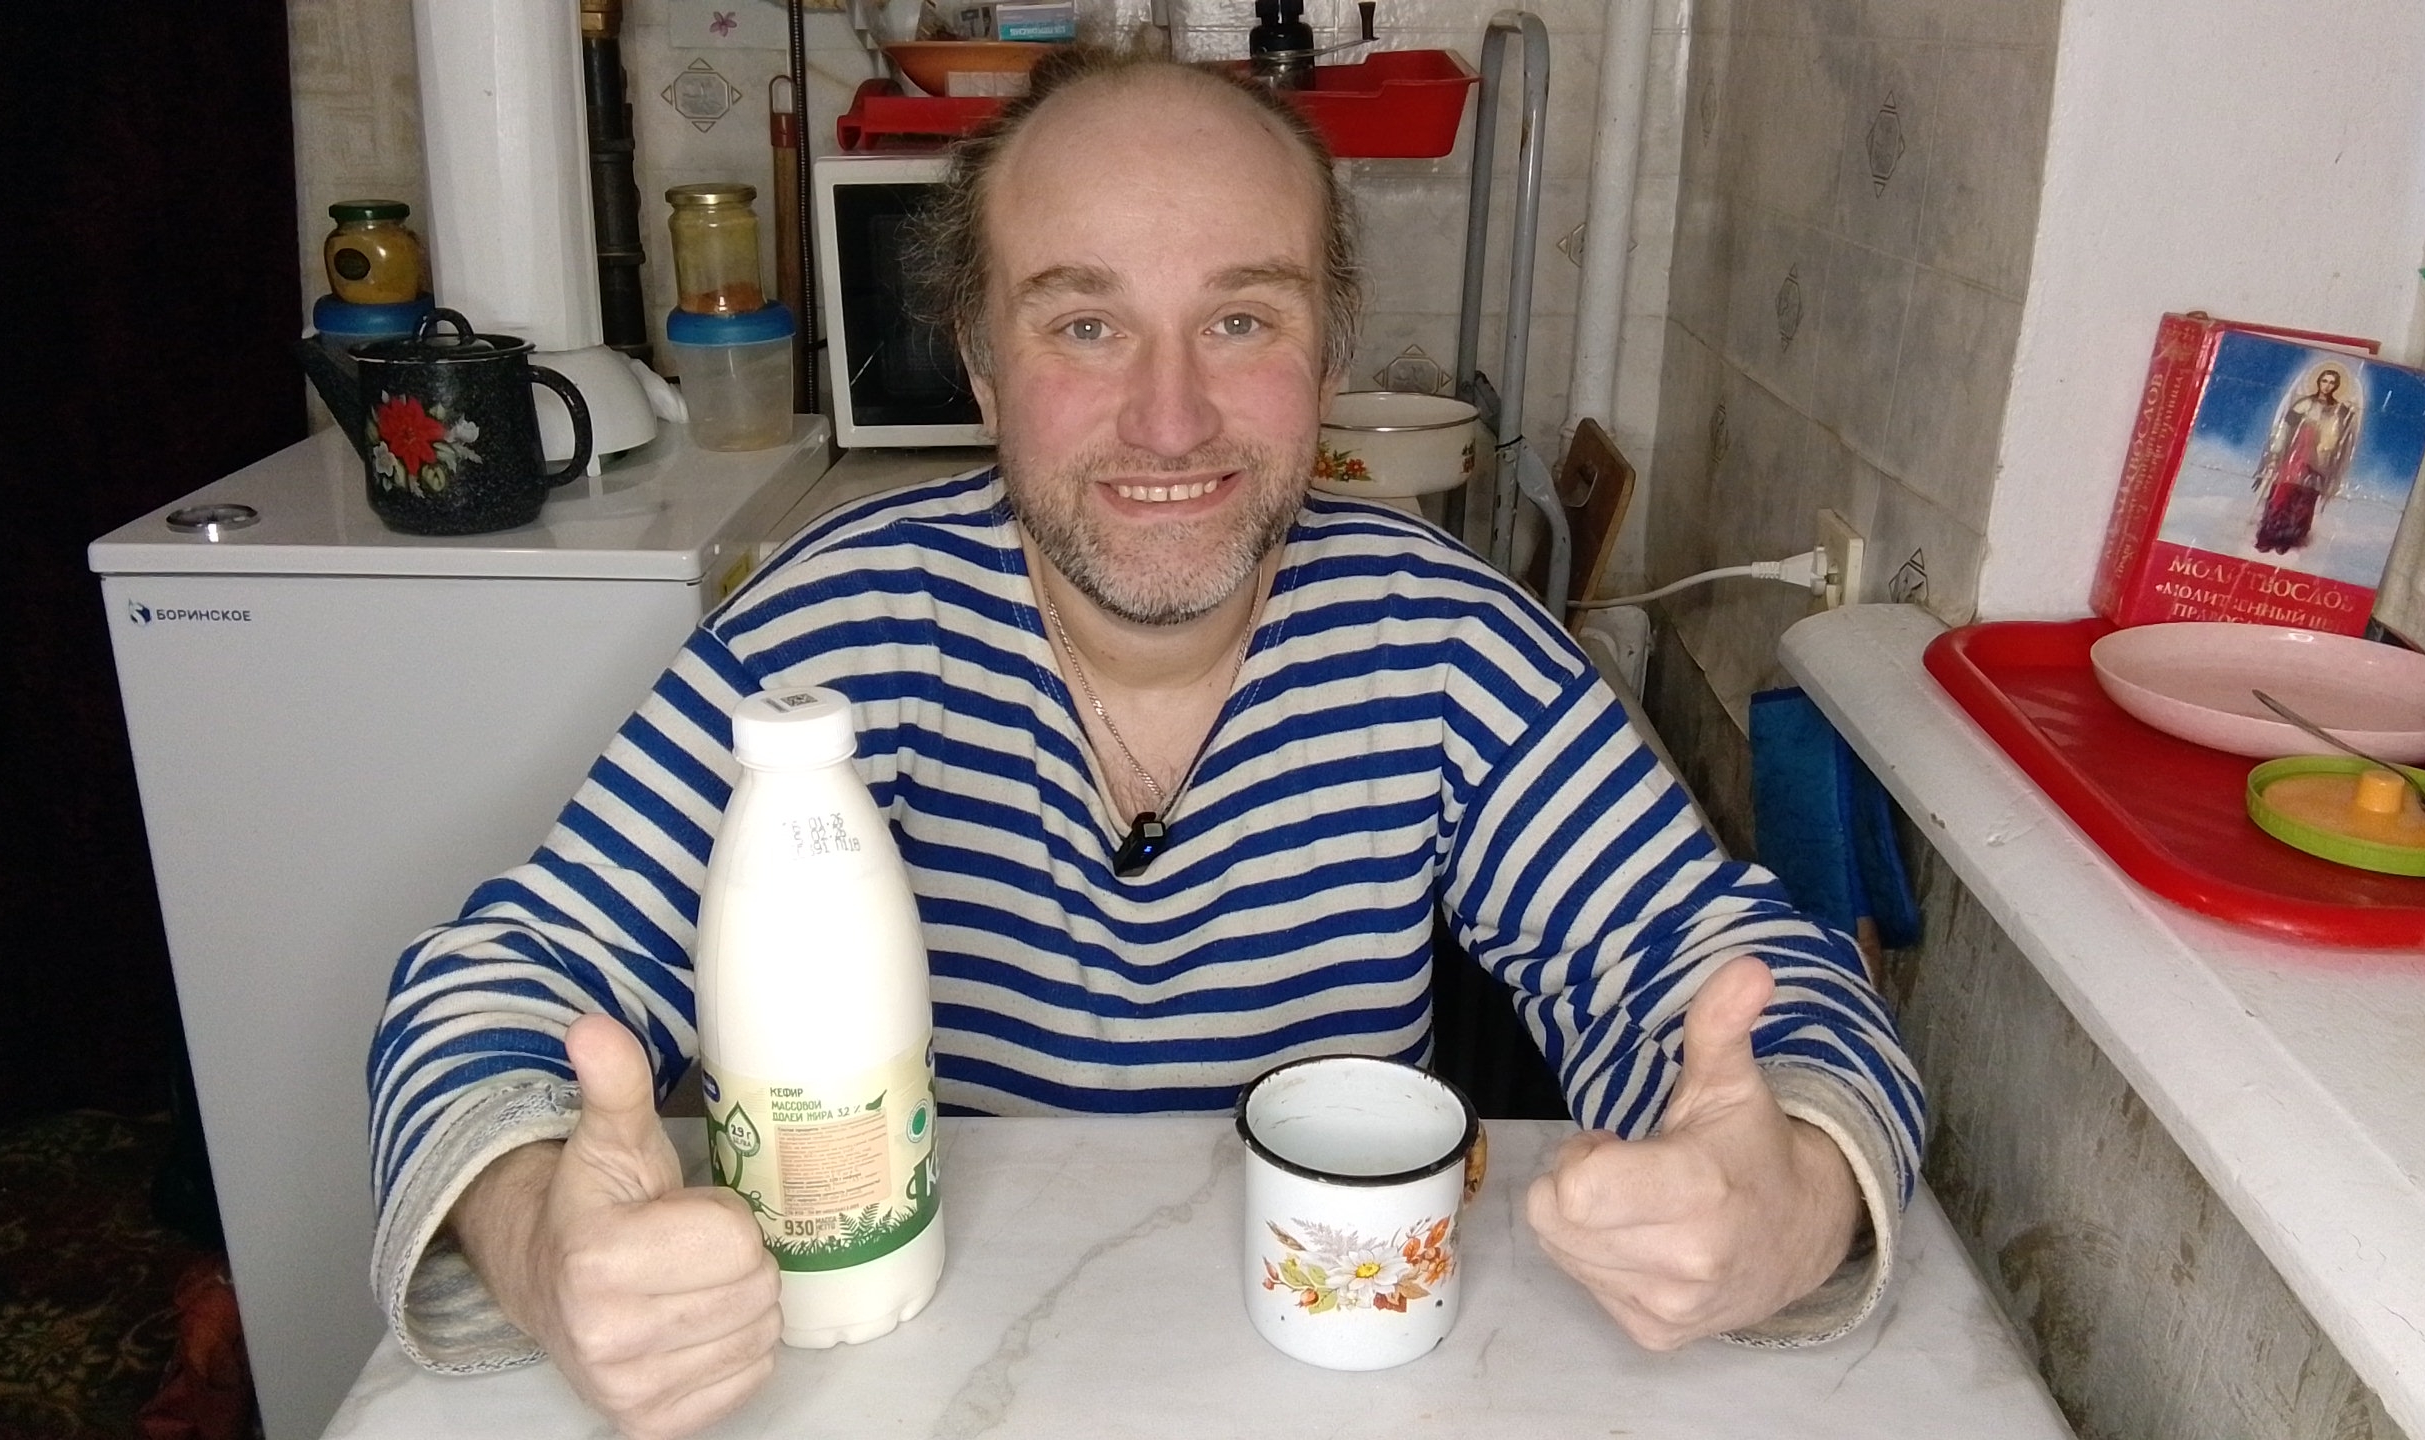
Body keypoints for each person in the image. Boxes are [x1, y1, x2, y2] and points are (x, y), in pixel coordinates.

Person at [365, 48, 1925, 1440]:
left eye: (1241, 318)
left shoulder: (1449, 647)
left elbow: (1725, 981)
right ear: (984, 365)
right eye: (1086, 323)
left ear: (1327, 358)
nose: (1169, 421)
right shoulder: (833, 640)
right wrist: (536, 1233)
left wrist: (1786, 1197)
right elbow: (498, 985)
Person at [2251, 363, 2359, 554]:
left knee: (2305, 499)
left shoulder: (2340, 410)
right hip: (2296, 455)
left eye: (2331, 383)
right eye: (2324, 381)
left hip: (2318, 461)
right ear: (2318, 382)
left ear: (2336, 386)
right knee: (2283, 494)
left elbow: (2339, 438)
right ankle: (2269, 537)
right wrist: (2276, 452)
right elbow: (2285, 428)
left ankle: (2290, 539)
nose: (2327, 386)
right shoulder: (2305, 404)